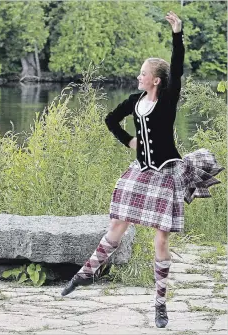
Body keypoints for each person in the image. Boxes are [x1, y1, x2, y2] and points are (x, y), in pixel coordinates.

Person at [60, 12, 223, 329]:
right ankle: (86, 273)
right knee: (116, 227)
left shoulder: (168, 99)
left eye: (143, 74)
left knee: (161, 241)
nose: (139, 77)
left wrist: (178, 34)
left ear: (157, 80)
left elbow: (177, 67)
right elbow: (110, 120)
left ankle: (160, 304)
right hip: (140, 171)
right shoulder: (135, 101)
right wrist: (128, 140)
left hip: (165, 174)